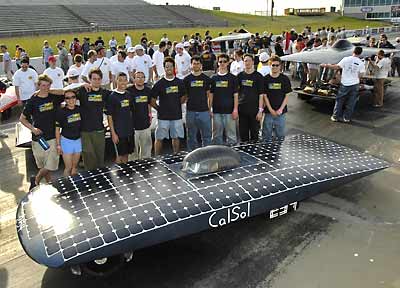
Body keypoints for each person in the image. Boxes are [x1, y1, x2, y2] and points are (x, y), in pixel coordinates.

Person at [19, 74, 62, 189]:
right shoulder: (32, 101)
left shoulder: (53, 97)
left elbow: (64, 92)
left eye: (48, 85)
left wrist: (50, 90)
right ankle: (49, 185)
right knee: (43, 164)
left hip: (52, 136)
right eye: (43, 85)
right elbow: (22, 119)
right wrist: (33, 129)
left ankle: (36, 179)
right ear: (38, 86)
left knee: (51, 163)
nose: (45, 88)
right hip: (39, 138)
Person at [150, 57, 186, 155]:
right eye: (166, 67)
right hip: (163, 117)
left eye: (170, 66)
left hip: (176, 116)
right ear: (164, 68)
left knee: (176, 136)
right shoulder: (159, 84)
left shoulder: (179, 82)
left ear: (174, 67)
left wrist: (177, 104)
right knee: (159, 138)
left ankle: (176, 155)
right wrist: (159, 109)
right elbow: (152, 100)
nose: (168, 68)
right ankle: (157, 157)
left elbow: (184, 97)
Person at [76, 68, 110, 170]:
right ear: (89, 79)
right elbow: (66, 91)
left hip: (99, 130)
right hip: (85, 131)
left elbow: (119, 93)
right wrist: (80, 85)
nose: (96, 81)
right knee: (89, 159)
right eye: (94, 79)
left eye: (99, 79)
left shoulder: (104, 93)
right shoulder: (83, 90)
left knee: (100, 160)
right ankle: (90, 183)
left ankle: (100, 180)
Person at [321, 46, 365, 123]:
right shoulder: (361, 63)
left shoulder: (346, 59)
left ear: (353, 51)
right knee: (351, 102)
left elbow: (336, 67)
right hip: (354, 84)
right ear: (360, 53)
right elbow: (361, 75)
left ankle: (335, 117)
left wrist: (326, 65)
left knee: (339, 101)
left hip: (345, 84)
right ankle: (347, 118)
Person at [183, 55, 213, 151]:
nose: (196, 65)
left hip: (204, 111)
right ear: (191, 65)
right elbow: (185, 95)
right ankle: (192, 156)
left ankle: (207, 155)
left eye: (198, 64)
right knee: (191, 137)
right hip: (191, 111)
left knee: (207, 136)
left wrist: (209, 109)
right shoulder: (186, 79)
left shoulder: (206, 79)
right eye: (194, 64)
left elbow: (209, 95)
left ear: (201, 65)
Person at [210, 53, 239, 145]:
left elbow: (236, 95)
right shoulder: (213, 78)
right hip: (216, 111)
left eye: (224, 61)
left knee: (231, 136)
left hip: (229, 111)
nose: (222, 63)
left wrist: (235, 109)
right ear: (217, 63)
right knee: (216, 135)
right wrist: (209, 108)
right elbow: (211, 95)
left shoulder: (233, 78)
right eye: (220, 61)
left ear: (228, 63)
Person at [106, 72, 135, 164]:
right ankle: (119, 176)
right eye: (120, 80)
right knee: (119, 156)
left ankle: (126, 175)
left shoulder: (128, 95)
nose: (123, 82)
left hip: (129, 131)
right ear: (116, 81)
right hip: (119, 132)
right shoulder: (112, 97)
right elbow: (109, 116)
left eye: (125, 80)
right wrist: (113, 133)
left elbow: (130, 111)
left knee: (126, 154)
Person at [262, 55, 292, 141]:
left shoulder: (285, 79)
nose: (275, 67)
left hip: (281, 113)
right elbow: (265, 96)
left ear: (280, 66)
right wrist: (270, 109)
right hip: (268, 112)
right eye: (273, 65)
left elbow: (287, 95)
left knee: (280, 135)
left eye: (277, 65)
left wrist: (280, 109)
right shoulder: (265, 79)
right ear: (269, 65)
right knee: (266, 135)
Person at [237, 54, 264, 142]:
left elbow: (261, 95)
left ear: (253, 62)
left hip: (254, 111)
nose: (247, 62)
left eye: (249, 60)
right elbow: (236, 93)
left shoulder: (259, 76)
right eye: (245, 61)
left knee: (254, 135)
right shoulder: (240, 76)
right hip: (242, 110)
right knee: (243, 135)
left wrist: (260, 111)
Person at [55, 89, 81, 176]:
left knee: (74, 167)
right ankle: (66, 186)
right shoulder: (60, 112)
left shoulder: (79, 109)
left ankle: (74, 187)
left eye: (73, 97)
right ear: (65, 100)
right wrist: (58, 145)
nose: (71, 100)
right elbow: (57, 130)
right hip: (66, 141)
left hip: (78, 141)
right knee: (68, 168)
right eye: (68, 98)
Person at [128, 71, 153, 159]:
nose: (140, 79)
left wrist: (150, 115)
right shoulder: (129, 91)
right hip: (133, 126)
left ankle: (146, 168)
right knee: (132, 154)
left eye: (142, 77)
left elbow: (149, 104)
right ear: (134, 79)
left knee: (146, 153)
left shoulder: (148, 90)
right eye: (138, 77)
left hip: (145, 125)